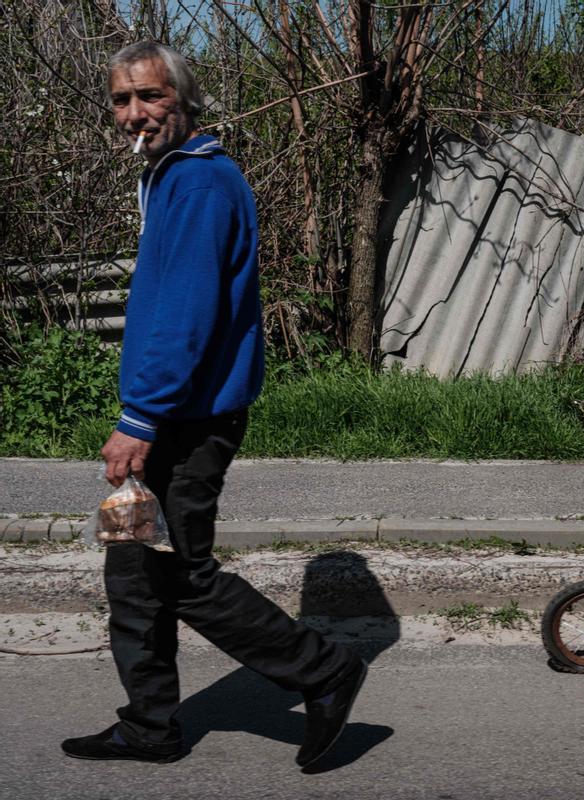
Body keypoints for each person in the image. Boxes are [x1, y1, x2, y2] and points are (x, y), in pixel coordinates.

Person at [61, 42, 366, 767]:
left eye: (150, 96)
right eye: (121, 99)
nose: (135, 112)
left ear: (184, 100)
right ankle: (150, 724)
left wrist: (139, 417)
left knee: (178, 574)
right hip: (176, 411)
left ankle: (323, 670)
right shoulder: (169, 176)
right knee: (134, 575)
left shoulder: (199, 185)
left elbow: (187, 315)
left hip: (186, 420)